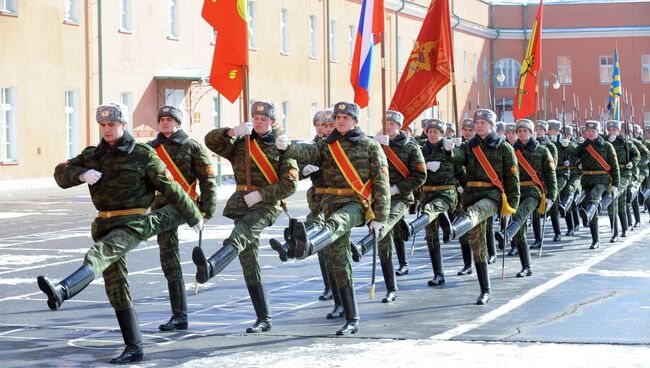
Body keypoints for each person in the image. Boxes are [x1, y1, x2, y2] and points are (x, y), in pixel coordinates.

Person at [37, 103, 203, 364]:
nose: (106, 129)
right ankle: (134, 347)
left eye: (111, 125)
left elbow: (171, 188)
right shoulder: (93, 155)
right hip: (104, 223)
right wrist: (81, 174)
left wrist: (194, 216)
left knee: (99, 254)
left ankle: (63, 290)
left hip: (133, 222)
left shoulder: (142, 155)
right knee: (116, 286)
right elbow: (60, 173)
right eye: (102, 125)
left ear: (123, 125)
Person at [272, 101, 390, 335]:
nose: (340, 121)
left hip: (356, 203)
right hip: (329, 203)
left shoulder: (369, 145)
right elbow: (309, 151)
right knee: (338, 262)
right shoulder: (327, 145)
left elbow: (381, 182)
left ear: (355, 121)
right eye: (337, 117)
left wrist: (381, 216)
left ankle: (310, 244)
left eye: (345, 117)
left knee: (338, 222)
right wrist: (287, 147)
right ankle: (351, 318)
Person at [193, 100, 298, 333]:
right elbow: (210, 141)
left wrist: (261, 194)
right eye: (256, 118)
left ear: (273, 121)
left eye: (264, 119)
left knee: (240, 235)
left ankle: (211, 267)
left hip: (267, 205)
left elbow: (290, 184)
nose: (259, 122)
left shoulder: (281, 146)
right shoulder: (242, 142)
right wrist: (231, 132)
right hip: (242, 203)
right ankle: (263, 317)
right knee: (248, 260)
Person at [148, 105, 217, 331]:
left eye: (170, 119)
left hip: (184, 205)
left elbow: (208, 181)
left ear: (178, 123)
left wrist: (206, 211)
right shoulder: (151, 149)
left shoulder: (191, 147)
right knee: (168, 257)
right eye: (162, 119)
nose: (165, 122)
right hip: (159, 205)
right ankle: (179, 315)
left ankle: (179, 314)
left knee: (168, 253)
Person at [445, 109, 520, 304]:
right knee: (477, 243)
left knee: (474, 213)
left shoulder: (503, 148)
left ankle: (453, 229)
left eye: (482, 122)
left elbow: (513, 179)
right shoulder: (470, 146)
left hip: (492, 195)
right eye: (476, 122)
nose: (478, 126)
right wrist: (449, 148)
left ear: (491, 125)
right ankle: (484, 289)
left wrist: (510, 207)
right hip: (471, 194)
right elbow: (456, 158)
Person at [350, 110, 425, 302]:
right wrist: (375, 145)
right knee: (383, 244)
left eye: (392, 123)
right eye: (386, 122)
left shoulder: (410, 148)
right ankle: (391, 287)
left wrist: (396, 189)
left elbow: (419, 176)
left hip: (400, 196)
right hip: (379, 198)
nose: (388, 126)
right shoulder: (375, 144)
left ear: (399, 126)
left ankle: (362, 246)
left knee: (383, 223)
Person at [495, 119, 557, 277]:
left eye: (525, 131)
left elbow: (551, 175)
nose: (522, 133)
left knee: (521, 213)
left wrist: (551, 195)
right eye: (519, 131)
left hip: (533, 191)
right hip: (515, 190)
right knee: (520, 230)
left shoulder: (542, 150)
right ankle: (526, 266)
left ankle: (506, 234)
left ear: (531, 133)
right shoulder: (509, 150)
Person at [407, 119, 458, 286]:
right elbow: (410, 151)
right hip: (427, 193)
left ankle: (445, 224)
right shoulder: (422, 150)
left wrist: (454, 153)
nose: (433, 135)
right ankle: (438, 273)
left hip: (446, 191)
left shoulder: (449, 148)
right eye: (430, 132)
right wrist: (425, 166)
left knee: (434, 208)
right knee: (431, 236)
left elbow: (461, 165)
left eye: (436, 132)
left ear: (442, 133)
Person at [562, 120, 619, 249]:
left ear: (598, 132)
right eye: (588, 131)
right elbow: (575, 155)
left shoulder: (606, 146)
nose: (591, 133)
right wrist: (568, 145)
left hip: (602, 178)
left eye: (593, 131)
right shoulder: (583, 146)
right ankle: (595, 239)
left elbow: (615, 167)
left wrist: (615, 183)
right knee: (590, 205)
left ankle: (588, 215)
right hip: (587, 179)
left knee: (595, 196)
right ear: (585, 132)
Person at [604, 120, 639, 240]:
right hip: (611, 174)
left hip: (624, 173)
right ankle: (619, 231)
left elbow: (637, 155)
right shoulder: (605, 143)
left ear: (619, 130)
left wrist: (632, 163)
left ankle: (620, 230)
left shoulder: (626, 142)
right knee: (620, 203)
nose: (611, 132)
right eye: (609, 130)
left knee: (614, 194)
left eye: (614, 129)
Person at [530, 120, 558, 249]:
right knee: (535, 211)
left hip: (546, 181)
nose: (538, 131)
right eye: (536, 128)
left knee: (551, 208)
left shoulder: (550, 145)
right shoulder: (530, 145)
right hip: (533, 182)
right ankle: (538, 238)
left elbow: (553, 165)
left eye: (541, 129)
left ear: (545, 131)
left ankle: (557, 232)